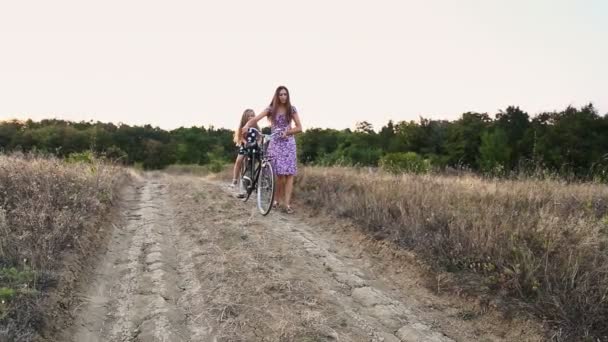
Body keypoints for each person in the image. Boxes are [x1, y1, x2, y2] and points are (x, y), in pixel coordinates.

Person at [242, 86, 302, 213]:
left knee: (290, 174)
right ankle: (276, 200)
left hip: (288, 144)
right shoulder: (271, 109)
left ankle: (287, 205)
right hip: (275, 142)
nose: (283, 97)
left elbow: (299, 127)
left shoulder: (292, 109)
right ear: (277, 96)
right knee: (279, 175)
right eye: (281, 94)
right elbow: (256, 119)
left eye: (285, 94)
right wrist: (247, 125)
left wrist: (288, 132)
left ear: (288, 95)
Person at [231, 109, 258, 196]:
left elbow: (259, 136)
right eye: (249, 116)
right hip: (245, 147)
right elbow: (240, 137)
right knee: (239, 160)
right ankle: (234, 179)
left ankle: (251, 182)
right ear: (245, 118)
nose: (251, 117)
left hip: (253, 148)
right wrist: (245, 142)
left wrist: (259, 140)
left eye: (253, 115)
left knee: (252, 165)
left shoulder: (256, 127)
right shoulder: (243, 127)